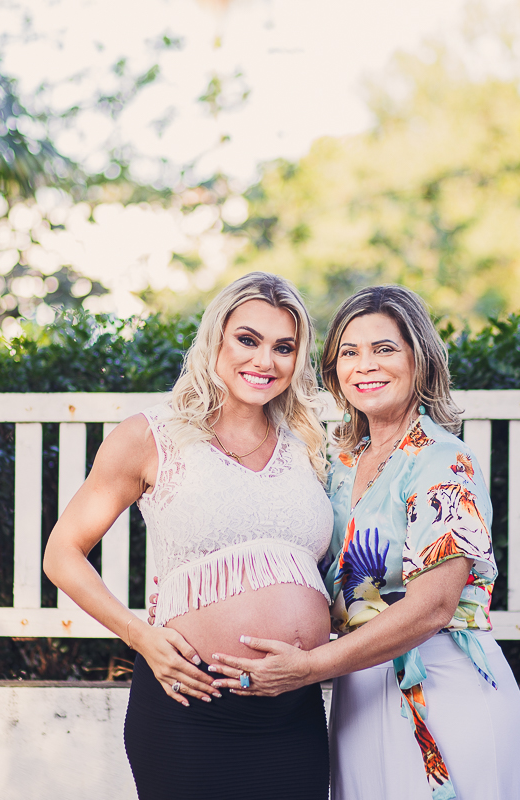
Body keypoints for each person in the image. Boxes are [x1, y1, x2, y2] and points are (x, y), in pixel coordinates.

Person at [208, 285, 520, 800]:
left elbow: (433, 608)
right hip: (357, 689)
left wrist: (309, 667)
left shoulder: (440, 461)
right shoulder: (339, 462)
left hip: (444, 686)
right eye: (349, 354)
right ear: (334, 371)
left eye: (384, 349)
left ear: (418, 360)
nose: (365, 366)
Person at [43, 272, 335, 800]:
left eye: (284, 347)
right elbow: (62, 554)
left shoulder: (309, 446)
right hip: (190, 705)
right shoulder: (151, 435)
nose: (264, 361)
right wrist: (140, 636)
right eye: (248, 340)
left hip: (294, 712)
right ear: (216, 339)